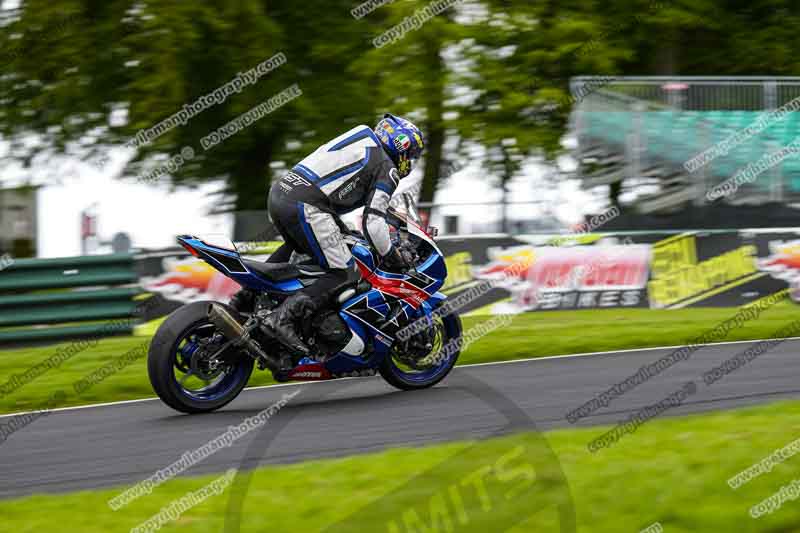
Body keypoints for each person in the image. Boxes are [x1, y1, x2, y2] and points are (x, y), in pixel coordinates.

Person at [231, 113, 424, 360]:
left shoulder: (361, 134)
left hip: (281, 192)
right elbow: (373, 222)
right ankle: (283, 319)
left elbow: (330, 186)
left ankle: (244, 299)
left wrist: (343, 231)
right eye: (413, 155)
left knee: (296, 244)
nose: (412, 162)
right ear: (402, 148)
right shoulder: (388, 167)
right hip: (307, 206)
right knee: (345, 272)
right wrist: (392, 255)